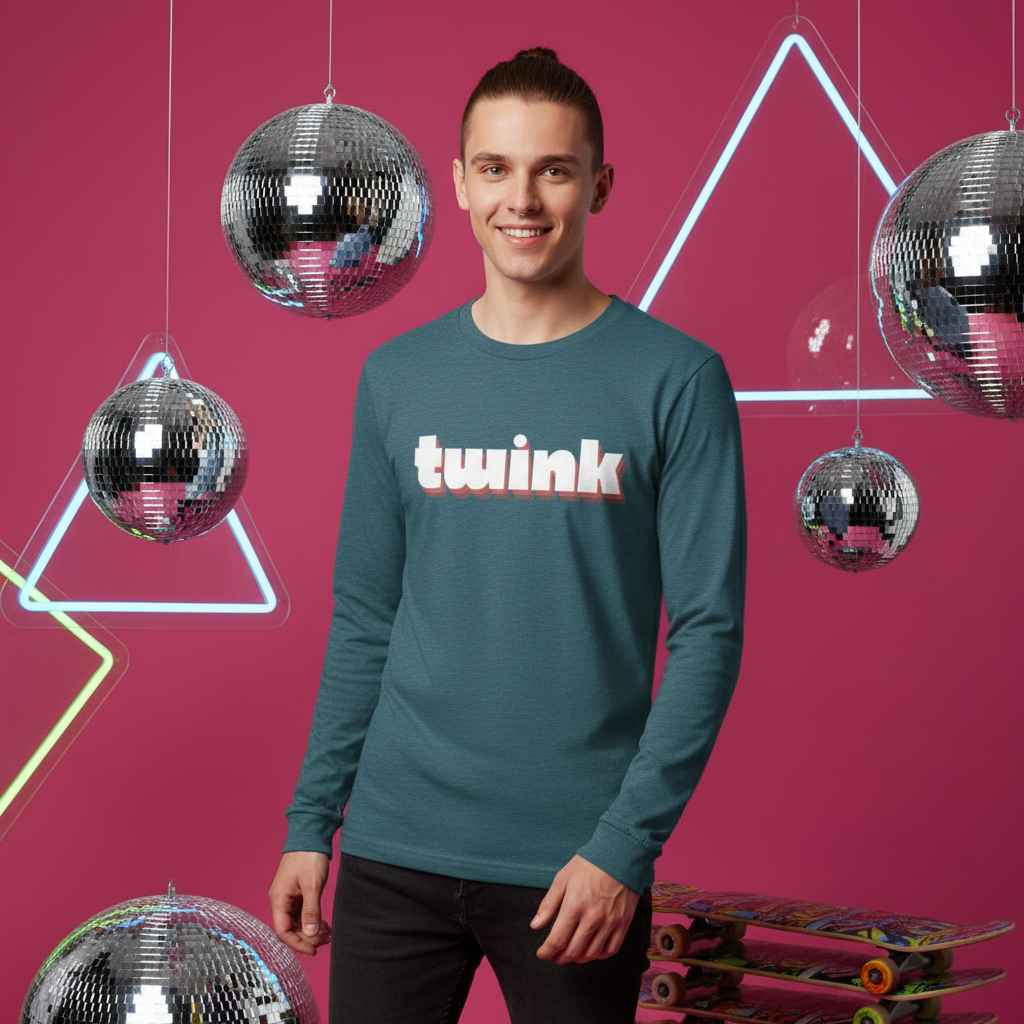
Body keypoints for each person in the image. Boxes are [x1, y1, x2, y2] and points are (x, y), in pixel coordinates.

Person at [269, 46, 746, 1024]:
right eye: (495, 168)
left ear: (598, 185)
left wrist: (625, 846)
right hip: (393, 852)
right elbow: (365, 615)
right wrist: (313, 821)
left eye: (553, 170)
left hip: (572, 866)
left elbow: (708, 633)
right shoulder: (397, 377)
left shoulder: (677, 379)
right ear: (458, 182)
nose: (520, 199)